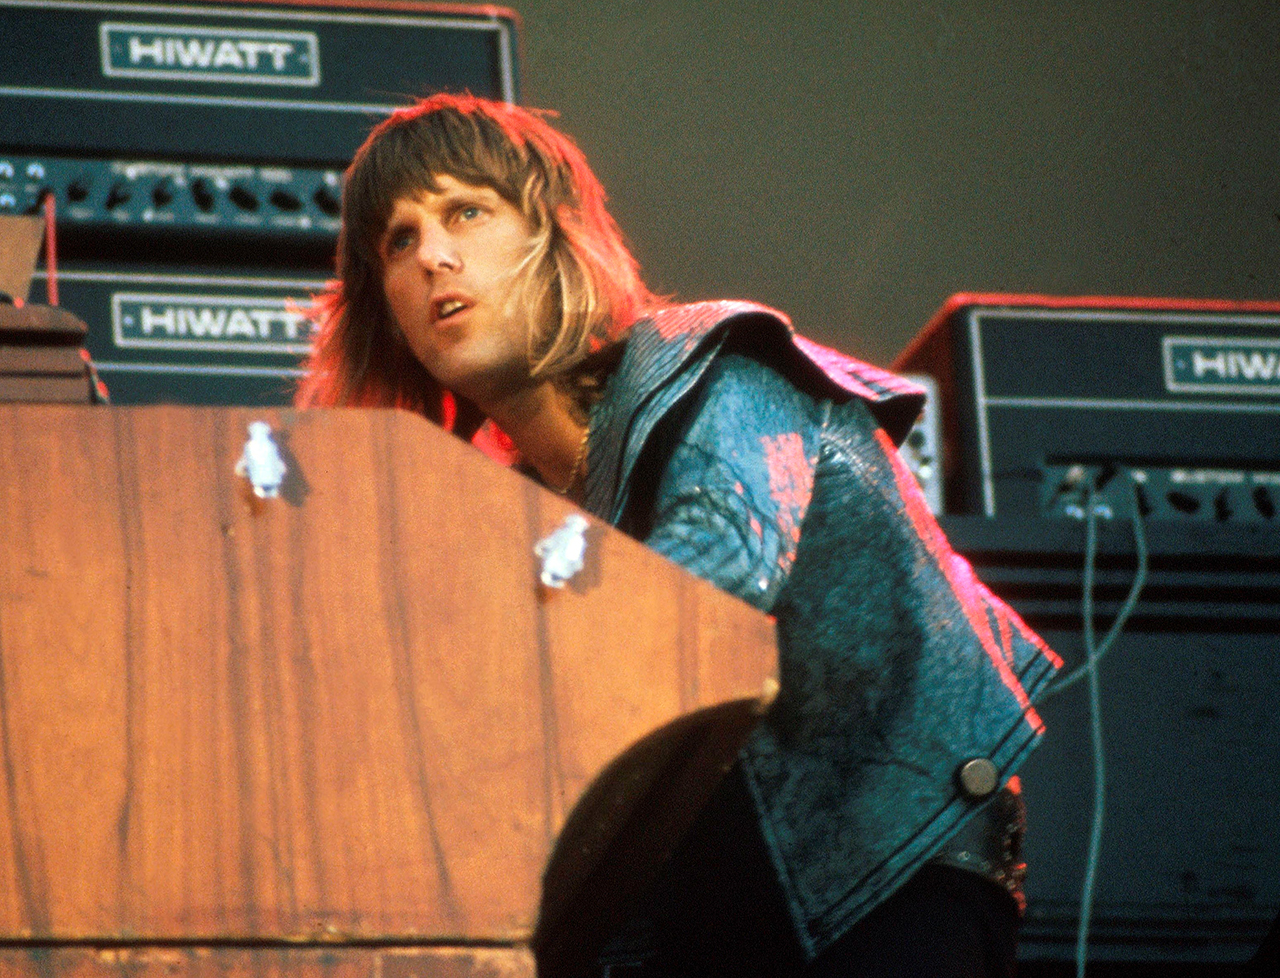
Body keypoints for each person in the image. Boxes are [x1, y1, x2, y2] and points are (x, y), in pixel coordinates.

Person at [296, 93, 1062, 977]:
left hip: (888, 884)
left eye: (466, 211)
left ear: (553, 235)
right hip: (714, 928)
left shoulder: (708, 365)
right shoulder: (504, 518)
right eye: (398, 239)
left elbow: (707, 589)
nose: (433, 254)